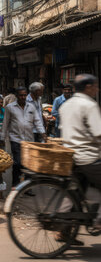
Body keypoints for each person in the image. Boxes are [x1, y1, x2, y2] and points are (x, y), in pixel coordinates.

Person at [59, 74, 101, 228]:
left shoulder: (66, 105)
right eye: (96, 86)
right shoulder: (89, 105)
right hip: (87, 157)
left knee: (75, 191)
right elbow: (98, 133)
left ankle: (63, 229)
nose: (97, 89)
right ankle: (99, 220)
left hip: (70, 156)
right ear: (88, 87)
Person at [2, 87, 46, 188]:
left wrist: (43, 133)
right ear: (16, 96)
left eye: (24, 95)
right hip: (15, 139)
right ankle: (15, 185)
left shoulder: (31, 107)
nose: (22, 97)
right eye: (20, 95)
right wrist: (2, 137)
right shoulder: (10, 107)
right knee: (17, 163)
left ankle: (27, 187)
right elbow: (5, 123)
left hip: (29, 140)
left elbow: (37, 121)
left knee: (29, 164)